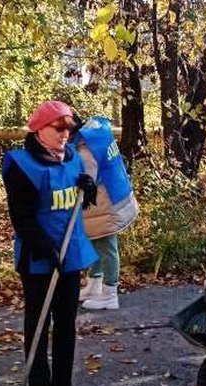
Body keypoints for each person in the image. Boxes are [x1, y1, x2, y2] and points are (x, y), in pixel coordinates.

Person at [2, 101, 98, 386]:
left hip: (70, 253)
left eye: (69, 129)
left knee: (66, 323)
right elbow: (23, 220)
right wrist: (47, 250)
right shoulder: (21, 166)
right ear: (39, 129)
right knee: (39, 324)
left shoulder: (72, 160)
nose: (65, 135)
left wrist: (88, 188)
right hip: (38, 258)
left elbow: (76, 206)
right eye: (59, 129)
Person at [72, 115, 138, 310]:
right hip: (110, 197)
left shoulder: (84, 150)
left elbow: (88, 179)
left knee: (106, 246)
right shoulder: (95, 134)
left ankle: (110, 293)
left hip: (103, 204)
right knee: (96, 243)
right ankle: (94, 284)